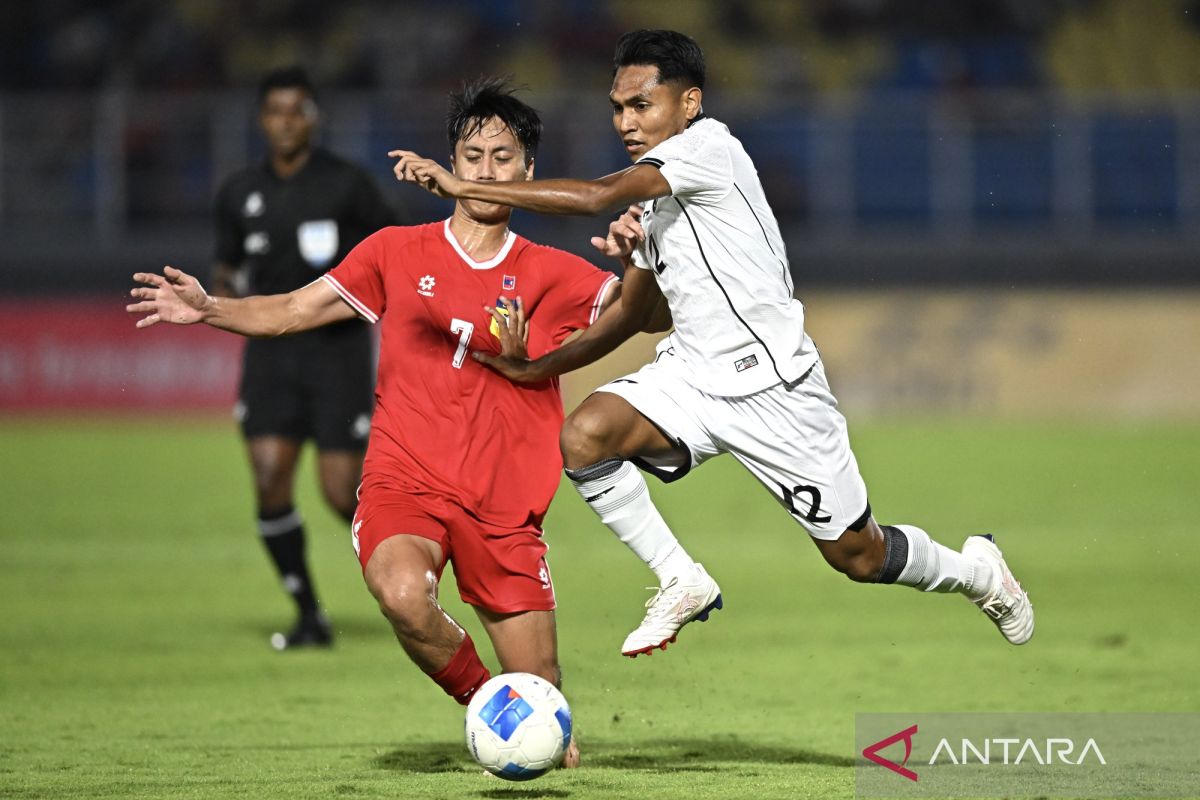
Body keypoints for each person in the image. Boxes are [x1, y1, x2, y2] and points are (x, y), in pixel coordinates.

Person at [390, 29, 1035, 658]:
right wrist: (539, 368)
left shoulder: (707, 149)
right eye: (618, 107)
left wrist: (464, 185)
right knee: (586, 436)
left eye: (642, 104)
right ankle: (680, 577)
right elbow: (635, 317)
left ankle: (977, 573)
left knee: (858, 556)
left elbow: (595, 195)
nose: (626, 120)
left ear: (688, 104)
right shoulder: (650, 203)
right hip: (694, 377)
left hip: (774, 389)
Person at [130, 79, 628, 765]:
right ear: (452, 160)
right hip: (408, 481)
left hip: (506, 504)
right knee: (401, 592)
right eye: (472, 154)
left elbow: (645, 314)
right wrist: (209, 307)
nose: (485, 171)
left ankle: (527, 711)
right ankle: (492, 707)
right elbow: (294, 311)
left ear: (529, 171)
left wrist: (643, 262)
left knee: (548, 701)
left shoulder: (552, 272)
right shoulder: (395, 252)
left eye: (503, 157)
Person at [212, 66, 400, 650]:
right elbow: (225, 263)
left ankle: (410, 584)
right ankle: (308, 615)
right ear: (262, 119)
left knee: (343, 493)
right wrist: (224, 291)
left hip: (335, 357)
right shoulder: (239, 192)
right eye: (275, 111)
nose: (285, 122)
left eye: (297, 111)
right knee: (270, 478)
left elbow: (393, 253)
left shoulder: (347, 185)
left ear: (313, 118)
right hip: (269, 358)